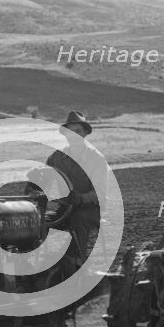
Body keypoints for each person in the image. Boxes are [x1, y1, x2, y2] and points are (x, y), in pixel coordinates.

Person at [29, 111, 108, 269]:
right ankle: (41, 264)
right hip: (65, 208)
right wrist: (35, 181)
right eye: (71, 131)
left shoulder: (96, 159)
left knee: (77, 220)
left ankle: (77, 263)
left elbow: (99, 193)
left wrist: (80, 198)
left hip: (92, 209)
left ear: (85, 133)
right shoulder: (56, 158)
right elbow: (45, 181)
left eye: (78, 131)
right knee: (37, 222)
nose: (74, 135)